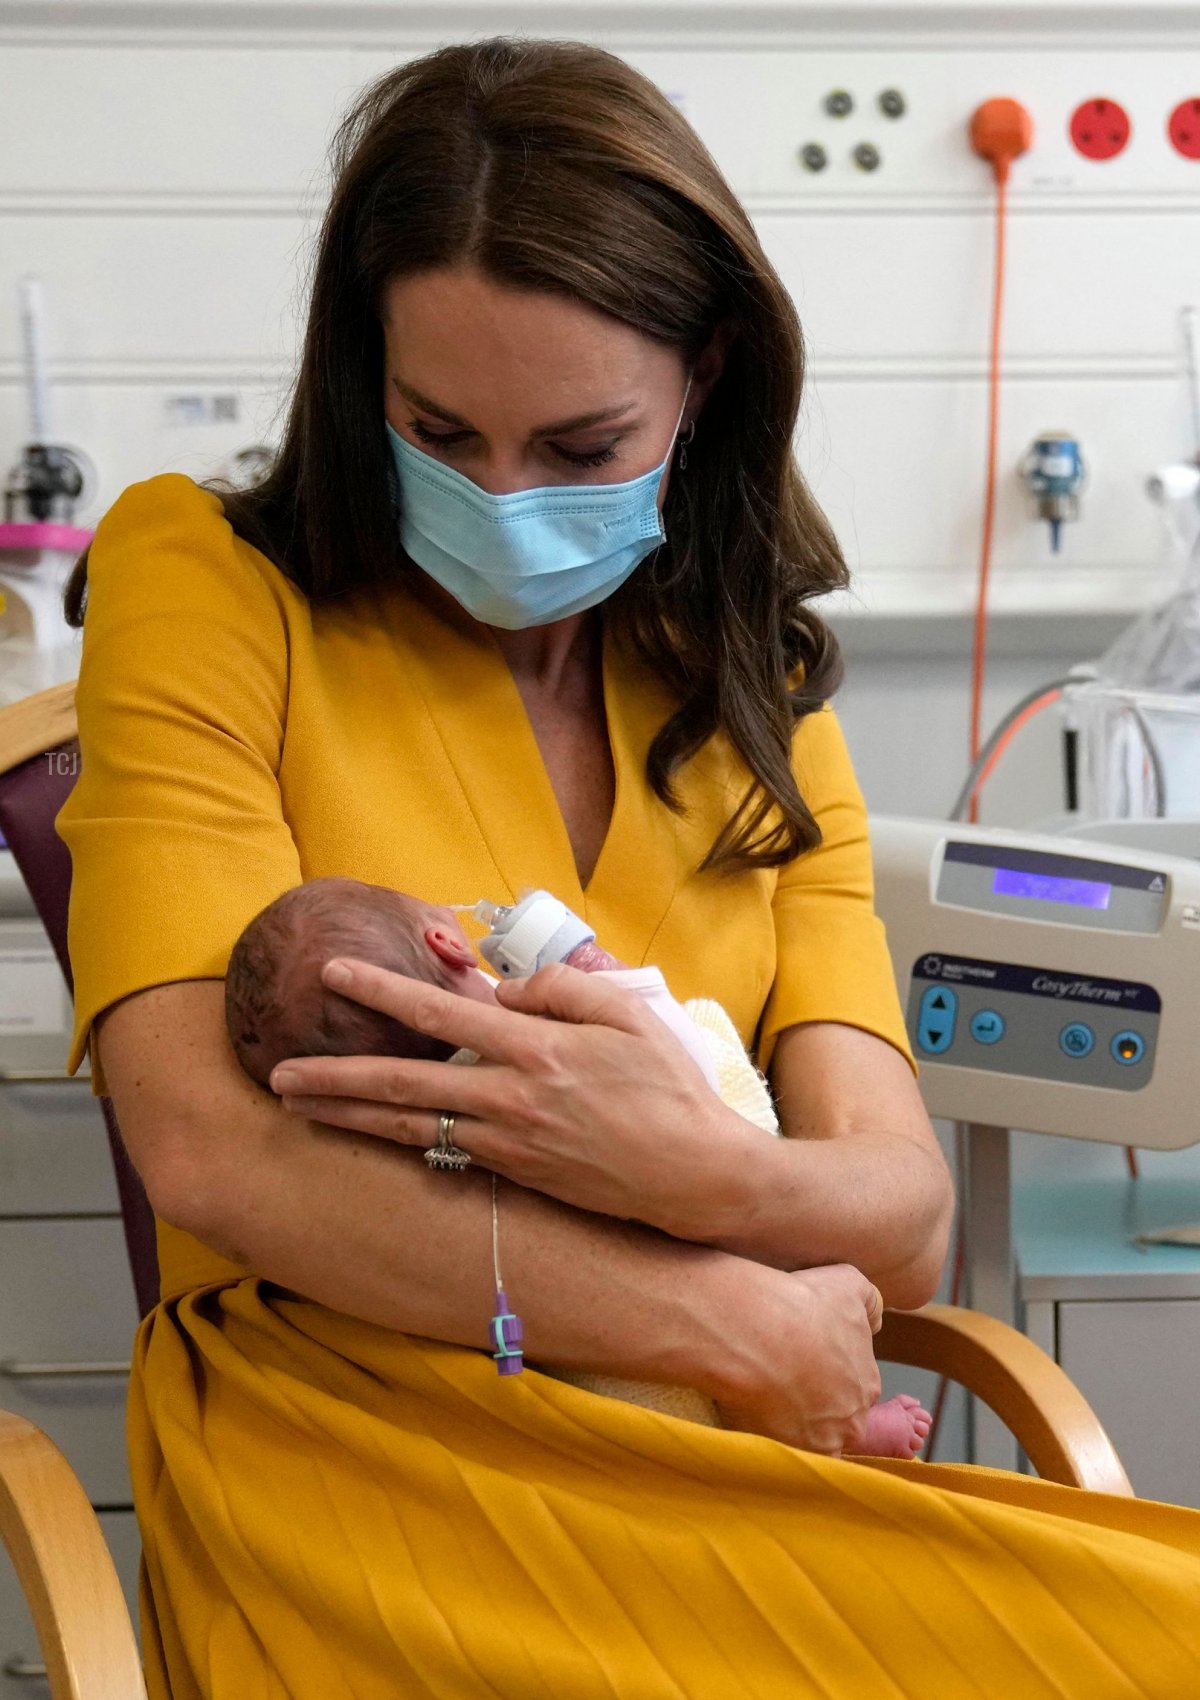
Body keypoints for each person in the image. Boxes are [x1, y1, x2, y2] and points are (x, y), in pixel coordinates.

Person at [55, 36, 1200, 1700]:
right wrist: (724, 1314)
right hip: (372, 1447)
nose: (501, 496)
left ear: (707, 379)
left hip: (733, 1451)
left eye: (581, 448)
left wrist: (680, 1166)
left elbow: (898, 1223)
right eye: (438, 430)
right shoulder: (207, 583)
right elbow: (211, 1158)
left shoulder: (754, 688)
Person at [222, 874, 933, 1455]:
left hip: (573, 1405)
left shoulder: (396, 1145)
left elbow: (914, 1232)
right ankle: (843, 1430)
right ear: (447, 942)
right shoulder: (559, 1032)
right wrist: (605, 975)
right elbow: (686, 1060)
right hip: (737, 1312)